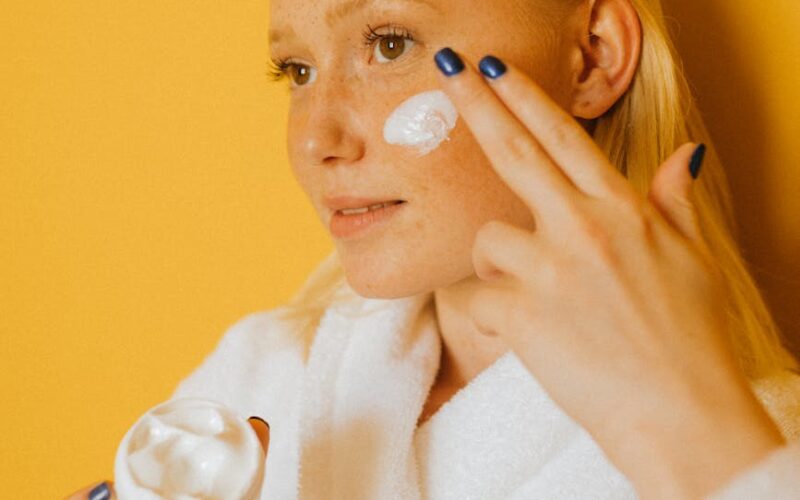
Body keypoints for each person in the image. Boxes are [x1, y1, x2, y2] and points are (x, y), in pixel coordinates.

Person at [67, 0, 800, 498]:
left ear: (591, 56)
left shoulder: (750, 447)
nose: (316, 139)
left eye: (389, 44)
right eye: (296, 71)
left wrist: (690, 433)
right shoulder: (253, 380)